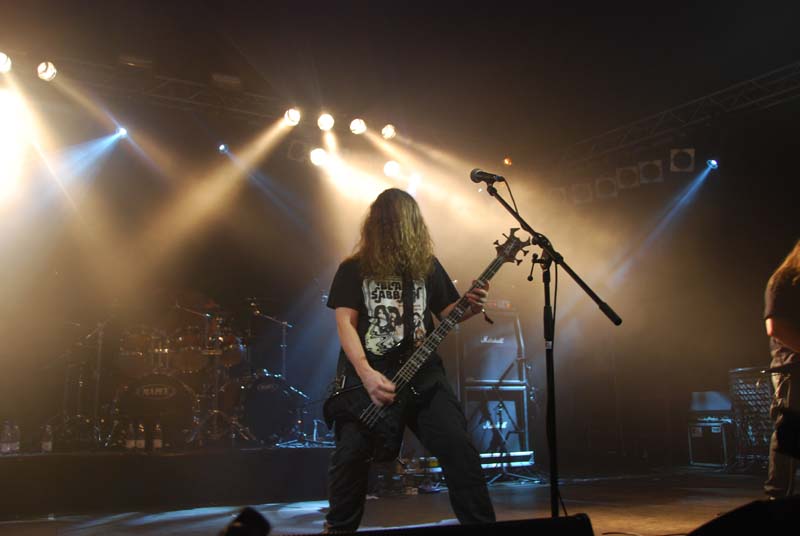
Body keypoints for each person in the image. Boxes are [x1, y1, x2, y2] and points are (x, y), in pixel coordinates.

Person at [325, 188, 496, 532]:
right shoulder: (353, 268)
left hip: (424, 377)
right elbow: (345, 324)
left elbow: (447, 312)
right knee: (350, 458)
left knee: (459, 450)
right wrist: (367, 374)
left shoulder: (426, 266)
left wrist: (472, 305)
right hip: (371, 378)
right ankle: (339, 529)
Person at [764, 239, 800, 498]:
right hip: (792, 369)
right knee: (789, 429)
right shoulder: (783, 280)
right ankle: (777, 496)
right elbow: (775, 327)